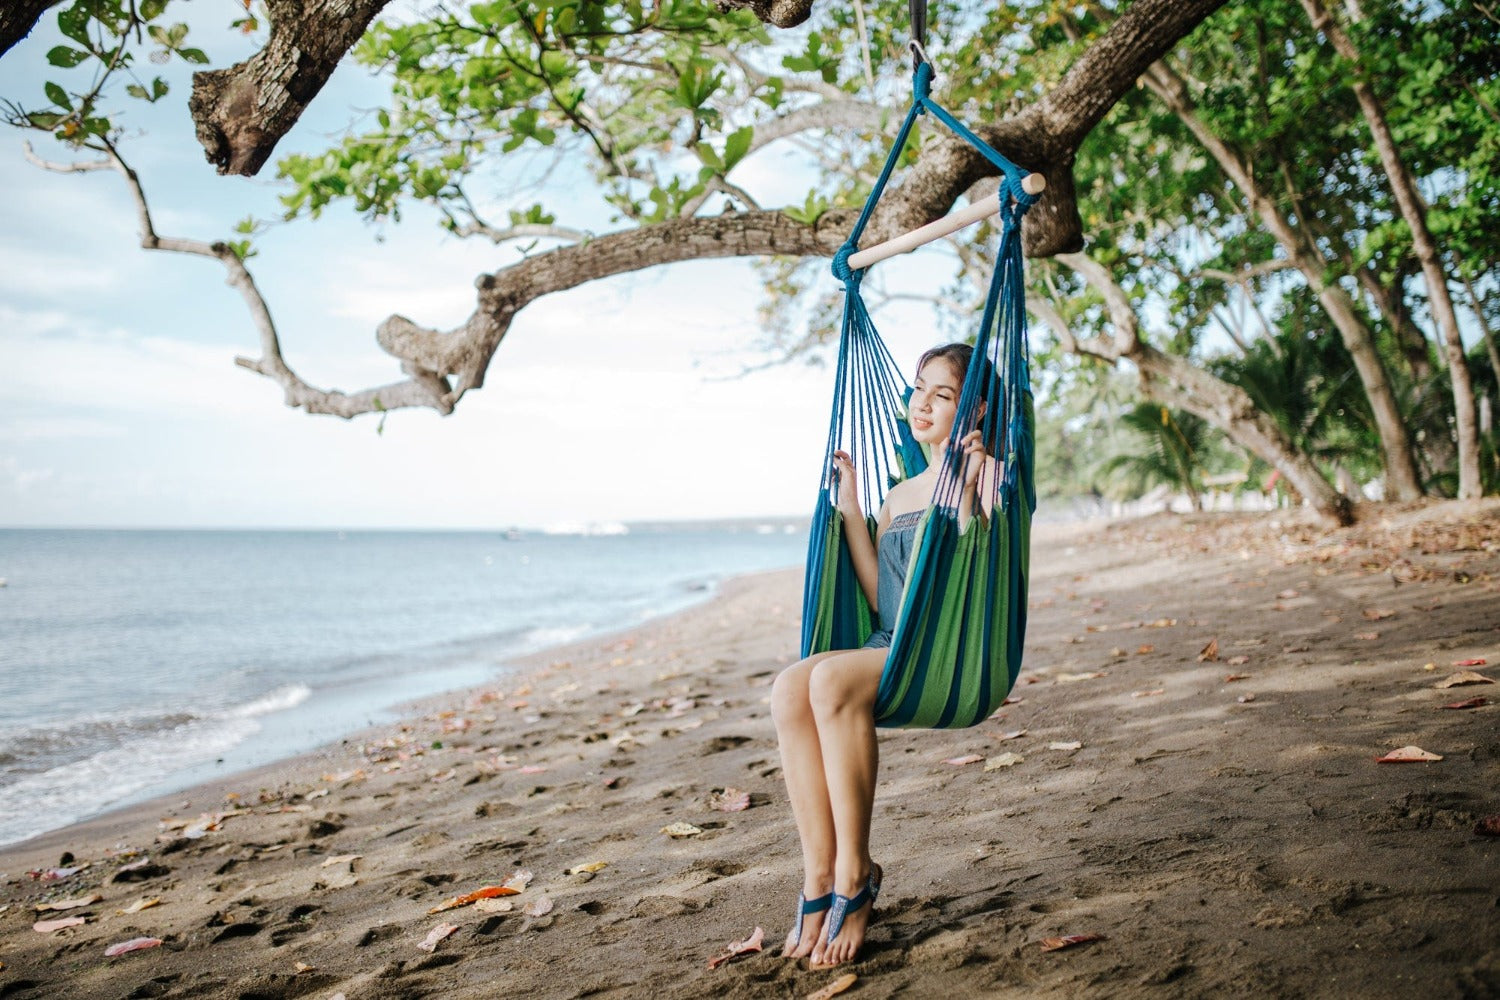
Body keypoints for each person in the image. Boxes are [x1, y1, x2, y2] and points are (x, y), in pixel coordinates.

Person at [771, 342, 996, 968]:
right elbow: (880, 596)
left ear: (974, 408)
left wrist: (974, 486)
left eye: (942, 394)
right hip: (887, 643)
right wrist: (849, 507)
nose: (921, 402)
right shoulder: (899, 494)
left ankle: (855, 875)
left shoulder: (980, 475)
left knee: (832, 681)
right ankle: (820, 874)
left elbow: (976, 565)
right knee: (792, 685)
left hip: (938, 653)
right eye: (919, 389)